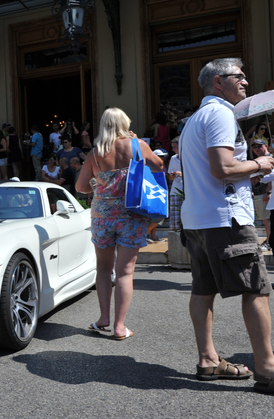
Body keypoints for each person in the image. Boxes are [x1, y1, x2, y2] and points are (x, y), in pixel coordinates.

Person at [180, 58, 274, 392]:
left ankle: (208, 361)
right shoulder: (221, 113)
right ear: (218, 82)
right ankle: (267, 369)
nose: (246, 81)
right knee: (257, 289)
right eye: (240, 76)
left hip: (197, 219)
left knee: (203, 290)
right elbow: (222, 168)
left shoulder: (193, 119)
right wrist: (259, 163)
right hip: (226, 218)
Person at [76, 107, 163, 341]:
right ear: (125, 123)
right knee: (125, 272)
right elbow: (159, 166)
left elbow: (80, 187)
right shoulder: (137, 146)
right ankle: (119, 326)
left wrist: (101, 186)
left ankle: (103, 318)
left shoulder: (95, 153)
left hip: (103, 216)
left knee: (103, 268)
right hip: (131, 215)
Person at [167, 137, 184, 231]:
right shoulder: (173, 158)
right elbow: (169, 176)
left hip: (187, 191)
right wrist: (172, 176)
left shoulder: (189, 157)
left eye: (175, 147)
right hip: (175, 191)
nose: (173, 149)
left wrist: (183, 174)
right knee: (175, 218)